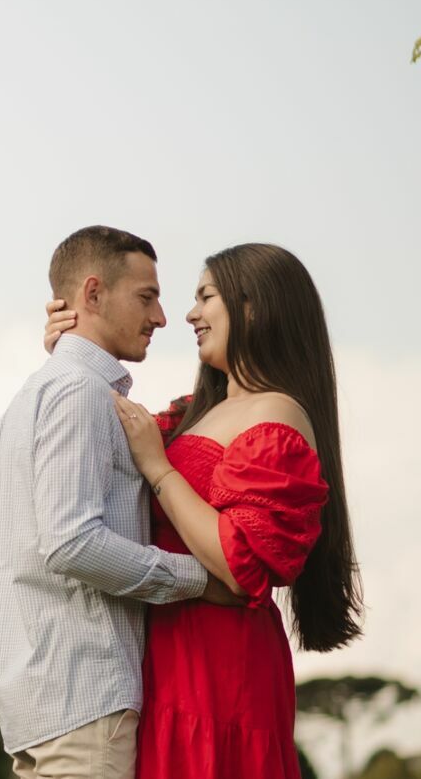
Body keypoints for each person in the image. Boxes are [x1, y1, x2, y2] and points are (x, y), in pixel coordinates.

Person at [44, 241, 364, 779]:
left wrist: (161, 470)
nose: (189, 315)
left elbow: (244, 565)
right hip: (169, 656)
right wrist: (74, 347)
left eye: (205, 296)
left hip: (219, 668)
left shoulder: (277, 415)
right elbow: (104, 437)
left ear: (255, 305)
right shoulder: (200, 413)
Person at [0, 225, 240, 778]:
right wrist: (201, 579)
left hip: (46, 702)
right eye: (146, 297)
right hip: (86, 699)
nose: (160, 318)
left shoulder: (47, 389)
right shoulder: (78, 393)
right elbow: (71, 542)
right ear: (93, 294)